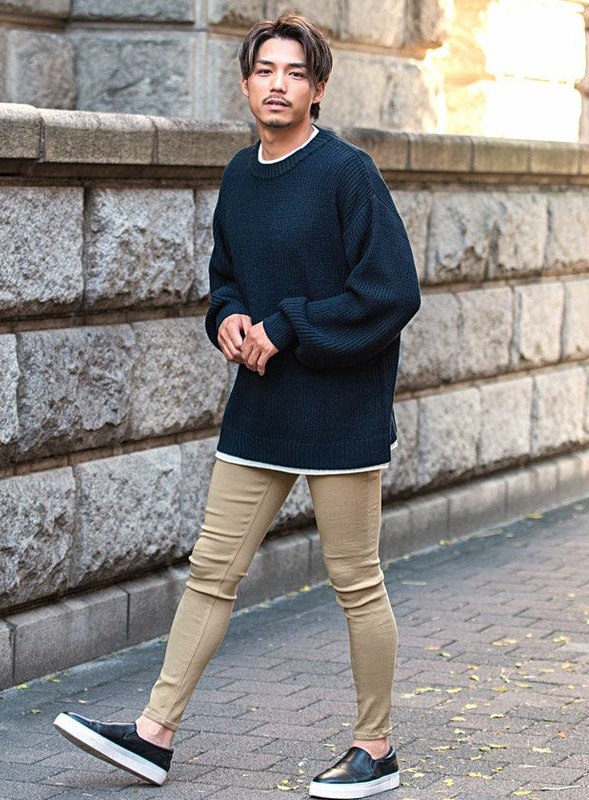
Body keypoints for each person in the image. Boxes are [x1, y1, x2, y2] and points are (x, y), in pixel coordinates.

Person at [54, 12, 421, 799]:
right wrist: (225, 317)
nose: (277, 84)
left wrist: (287, 326)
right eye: (264, 70)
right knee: (211, 572)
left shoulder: (348, 173)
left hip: (340, 413)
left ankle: (376, 748)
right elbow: (226, 278)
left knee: (355, 581)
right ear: (247, 83)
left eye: (295, 72)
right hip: (261, 408)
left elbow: (391, 290)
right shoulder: (239, 176)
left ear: (317, 88)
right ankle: (154, 736)